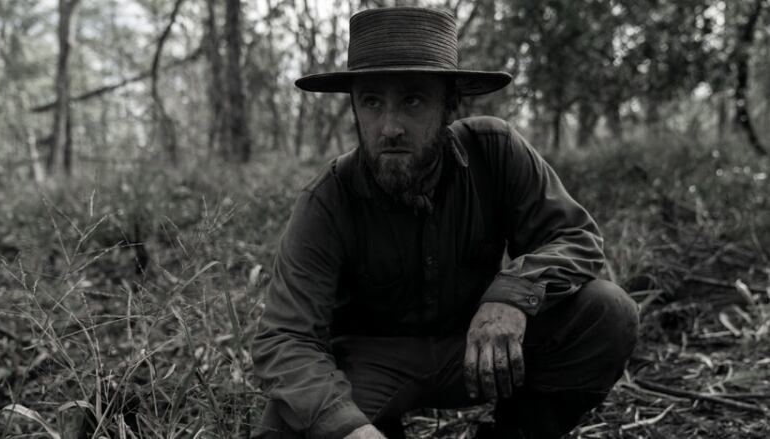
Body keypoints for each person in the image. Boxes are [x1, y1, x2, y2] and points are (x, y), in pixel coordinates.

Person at [251, 7, 639, 439]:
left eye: (413, 101)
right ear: (354, 109)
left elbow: (576, 237)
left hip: (481, 351)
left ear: (450, 105)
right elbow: (285, 338)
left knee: (607, 311)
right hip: (371, 366)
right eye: (372, 102)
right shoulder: (327, 200)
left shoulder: (495, 151)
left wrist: (512, 295)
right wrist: (349, 429)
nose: (390, 127)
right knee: (287, 424)